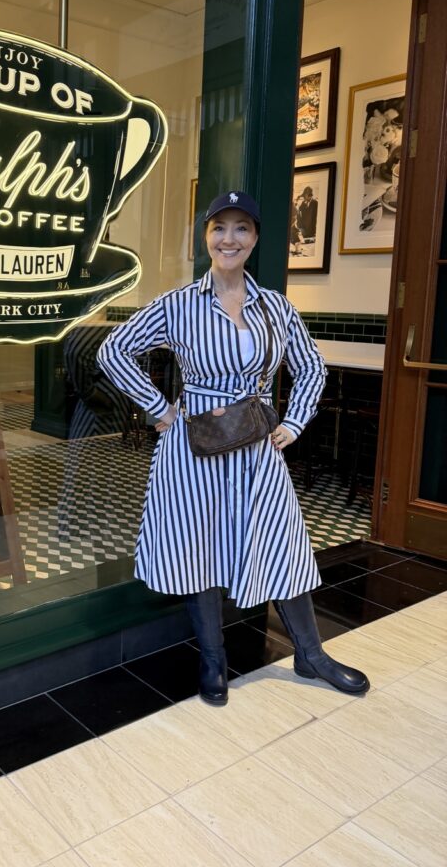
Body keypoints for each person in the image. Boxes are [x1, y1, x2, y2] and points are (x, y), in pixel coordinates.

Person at [97, 190, 368, 706]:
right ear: (206, 236)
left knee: (283, 543)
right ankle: (213, 660)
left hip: (257, 448)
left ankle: (311, 654)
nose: (229, 238)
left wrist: (294, 423)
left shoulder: (276, 307)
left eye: (242, 228)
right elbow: (114, 351)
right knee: (200, 547)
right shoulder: (178, 304)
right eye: (219, 227)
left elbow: (312, 367)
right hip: (194, 449)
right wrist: (160, 410)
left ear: (255, 238)